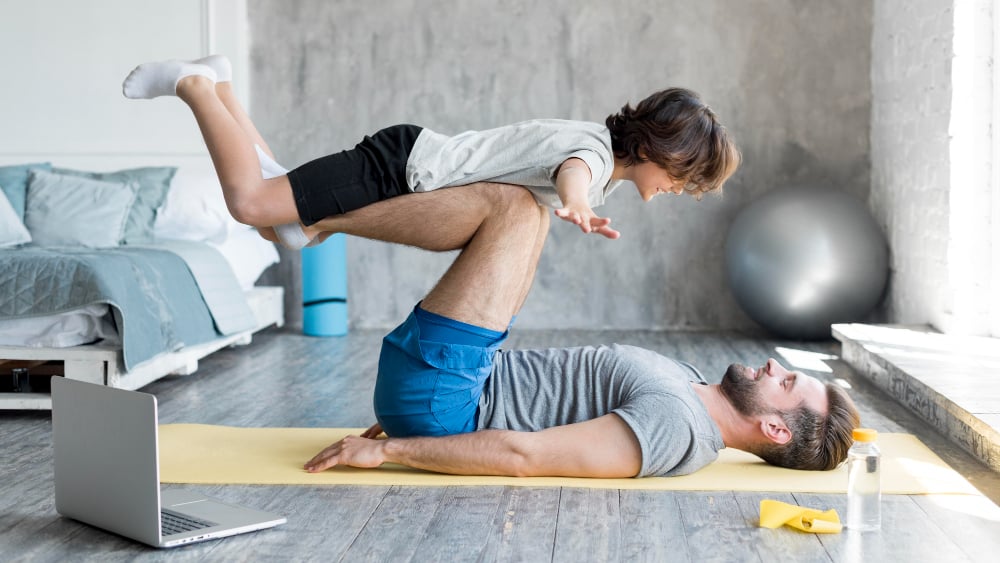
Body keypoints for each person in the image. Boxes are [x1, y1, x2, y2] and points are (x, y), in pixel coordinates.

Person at [284, 180, 859, 478]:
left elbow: (525, 457)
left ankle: (307, 218)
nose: (774, 367)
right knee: (530, 205)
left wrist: (390, 452)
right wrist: (393, 420)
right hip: (454, 383)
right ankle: (298, 213)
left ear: (775, 431)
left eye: (786, 385)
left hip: (450, 402)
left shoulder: (677, 428)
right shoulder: (691, 388)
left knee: (513, 206)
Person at [121, 55, 741, 248]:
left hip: (409, 162)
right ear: (664, 152)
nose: (682, 192)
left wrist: (581, 200)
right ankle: (193, 86)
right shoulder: (595, 157)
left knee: (288, 232)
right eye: (687, 180)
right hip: (402, 165)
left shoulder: (599, 154)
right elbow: (572, 173)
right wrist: (576, 207)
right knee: (252, 205)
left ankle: (221, 81)